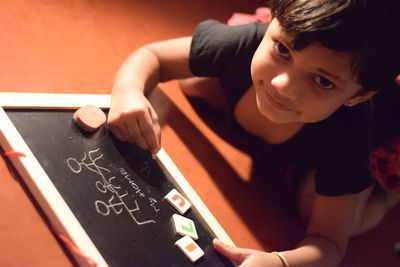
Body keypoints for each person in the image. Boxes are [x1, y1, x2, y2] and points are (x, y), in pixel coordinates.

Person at [107, 0, 400, 266]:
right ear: (272, 21)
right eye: (283, 50)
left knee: (336, 215)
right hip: (295, 127)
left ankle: (390, 197)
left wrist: (281, 263)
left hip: (372, 137)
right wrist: (128, 91)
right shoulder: (246, 42)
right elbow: (153, 57)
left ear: (358, 96)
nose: (283, 85)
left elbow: (330, 243)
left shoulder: (351, 130)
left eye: (323, 82)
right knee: (195, 84)